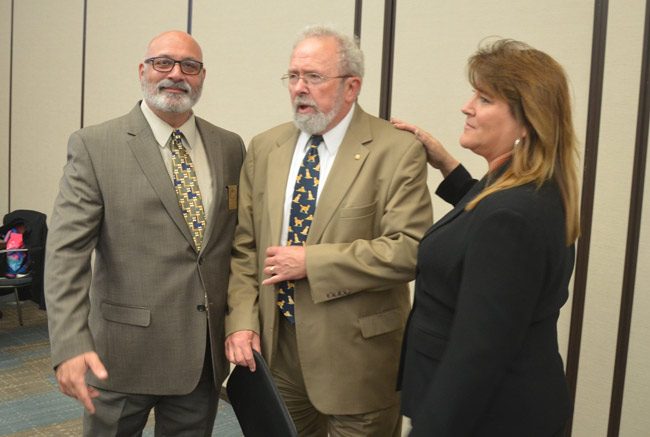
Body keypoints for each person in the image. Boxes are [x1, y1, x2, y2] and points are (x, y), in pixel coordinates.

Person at [225, 25, 432, 436]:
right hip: (277, 348)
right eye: (293, 76)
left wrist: (311, 262)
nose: (299, 88)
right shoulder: (266, 147)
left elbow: (410, 249)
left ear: (351, 87)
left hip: (357, 357)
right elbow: (245, 246)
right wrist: (241, 322)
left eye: (314, 77)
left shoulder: (396, 151)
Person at [44, 30, 246, 436]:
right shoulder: (95, 145)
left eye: (189, 66)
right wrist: (69, 344)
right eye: (163, 63)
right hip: (120, 356)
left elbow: (232, 245)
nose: (176, 74)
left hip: (200, 356)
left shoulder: (229, 146)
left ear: (202, 76)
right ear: (143, 70)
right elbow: (66, 255)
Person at [392, 38, 580, 436]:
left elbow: (478, 354)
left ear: (527, 121)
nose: (467, 106)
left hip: (487, 416)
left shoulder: (511, 217)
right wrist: (447, 165)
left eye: (484, 99)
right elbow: (479, 229)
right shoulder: (528, 190)